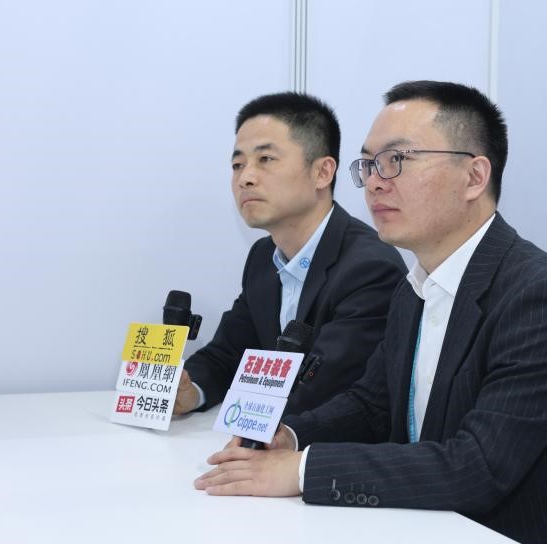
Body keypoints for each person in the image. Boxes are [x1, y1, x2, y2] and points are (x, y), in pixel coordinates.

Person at [194, 81, 547, 543]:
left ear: (474, 177)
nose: (375, 182)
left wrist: (300, 470)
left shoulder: (541, 296)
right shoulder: (413, 288)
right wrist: (290, 436)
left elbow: (477, 466)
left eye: (397, 159)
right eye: (369, 164)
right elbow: (372, 405)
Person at [174, 92, 406, 417]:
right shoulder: (263, 256)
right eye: (237, 165)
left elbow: (327, 391)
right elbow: (228, 353)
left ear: (322, 172)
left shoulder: (370, 268)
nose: (245, 178)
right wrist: (190, 391)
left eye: (266, 159)